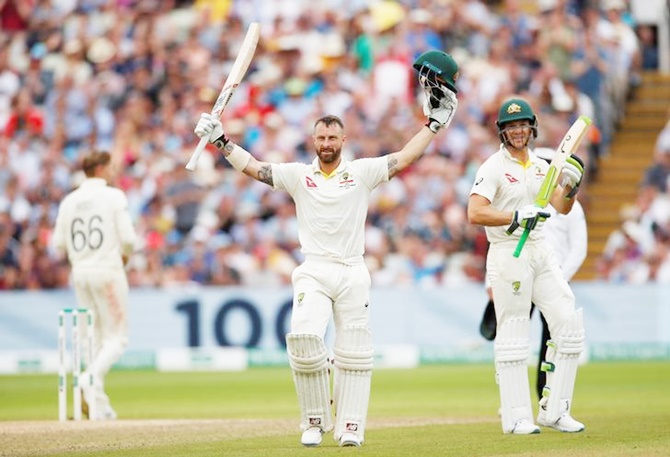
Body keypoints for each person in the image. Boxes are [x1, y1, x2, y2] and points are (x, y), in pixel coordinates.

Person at [194, 50, 459, 448]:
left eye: (333, 137)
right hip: (314, 269)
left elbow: (404, 157)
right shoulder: (299, 176)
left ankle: (350, 426)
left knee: (354, 352)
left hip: (352, 270)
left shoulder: (362, 171)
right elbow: (256, 168)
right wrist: (220, 141)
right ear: (313, 141)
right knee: (303, 339)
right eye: (321, 137)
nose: (327, 143)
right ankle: (315, 420)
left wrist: (434, 125)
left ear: (343, 141)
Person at [467, 98, 586, 434]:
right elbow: (475, 212)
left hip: (540, 249)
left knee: (568, 322)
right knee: (514, 332)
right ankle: (517, 415)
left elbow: (562, 206)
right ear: (502, 132)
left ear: (531, 128)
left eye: (521, 126)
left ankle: (555, 409)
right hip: (508, 251)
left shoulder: (540, 166)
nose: (517, 132)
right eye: (510, 127)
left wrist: (573, 187)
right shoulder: (492, 167)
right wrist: (515, 216)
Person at [478, 146, 588, 401]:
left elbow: (578, 250)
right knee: (512, 335)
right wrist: (490, 280)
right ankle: (511, 400)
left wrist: (559, 276)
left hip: (551, 276)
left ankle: (547, 397)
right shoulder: (520, 200)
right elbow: (500, 242)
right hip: (518, 274)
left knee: (555, 338)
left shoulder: (570, 205)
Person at [52, 150, 137, 420]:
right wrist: (123, 256)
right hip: (108, 270)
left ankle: (98, 402)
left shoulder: (69, 201)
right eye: (110, 167)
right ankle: (89, 379)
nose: (112, 172)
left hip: (80, 272)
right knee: (117, 338)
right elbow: (129, 239)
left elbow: (58, 245)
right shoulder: (113, 196)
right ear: (100, 168)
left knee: (96, 338)